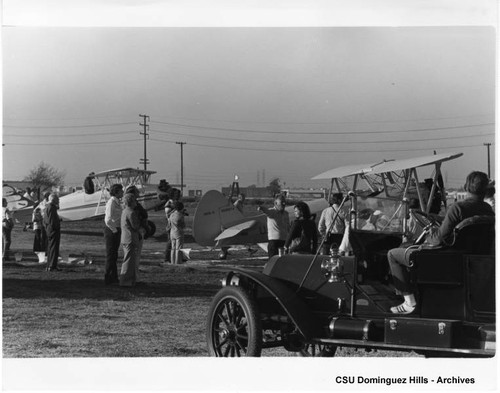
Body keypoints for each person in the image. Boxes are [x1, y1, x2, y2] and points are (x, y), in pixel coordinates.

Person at [387, 171, 494, 314]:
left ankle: (409, 302)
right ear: (485, 190)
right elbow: (458, 227)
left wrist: (427, 239)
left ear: (466, 187)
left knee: (393, 254)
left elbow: (437, 239)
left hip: (445, 258)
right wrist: (435, 218)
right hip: (470, 259)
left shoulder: (458, 208)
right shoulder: (488, 210)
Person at [125, 185, 149, 281]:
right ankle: (134, 276)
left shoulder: (128, 207)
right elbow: (141, 217)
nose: (139, 194)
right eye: (137, 192)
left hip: (134, 233)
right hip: (136, 233)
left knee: (133, 256)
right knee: (135, 256)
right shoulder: (134, 208)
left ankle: (133, 275)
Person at [258, 194, 290, 259]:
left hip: (284, 241)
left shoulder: (286, 213)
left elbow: (288, 226)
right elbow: (267, 211)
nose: (284, 204)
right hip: (274, 242)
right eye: (282, 202)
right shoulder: (272, 211)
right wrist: (261, 208)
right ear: (275, 203)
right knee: (273, 260)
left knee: (283, 260)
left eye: (284, 202)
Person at [103, 184, 124, 285]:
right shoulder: (111, 203)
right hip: (112, 230)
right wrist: (115, 230)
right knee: (111, 255)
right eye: (121, 191)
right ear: (116, 192)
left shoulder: (117, 202)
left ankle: (113, 277)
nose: (122, 192)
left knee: (114, 255)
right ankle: (108, 278)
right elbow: (108, 219)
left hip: (115, 229)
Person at [119, 193, 141, 287]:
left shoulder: (124, 211)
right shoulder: (131, 212)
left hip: (125, 238)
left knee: (129, 260)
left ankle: (129, 280)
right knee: (129, 261)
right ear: (131, 202)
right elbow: (135, 226)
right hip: (130, 238)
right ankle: (125, 281)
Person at [43, 193, 61, 271]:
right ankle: (52, 266)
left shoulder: (47, 207)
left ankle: (49, 265)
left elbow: (45, 220)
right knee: (54, 248)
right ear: (54, 200)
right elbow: (52, 221)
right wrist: (56, 227)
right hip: (53, 230)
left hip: (49, 230)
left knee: (50, 248)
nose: (59, 200)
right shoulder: (51, 207)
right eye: (57, 199)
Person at [164, 188, 181, 263]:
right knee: (171, 242)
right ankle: (167, 258)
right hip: (171, 225)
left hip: (175, 225)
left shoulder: (174, 203)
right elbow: (168, 214)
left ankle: (175, 257)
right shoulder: (169, 204)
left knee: (174, 243)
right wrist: (176, 210)